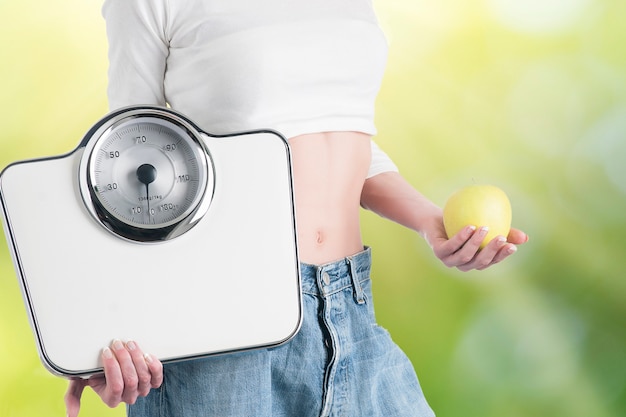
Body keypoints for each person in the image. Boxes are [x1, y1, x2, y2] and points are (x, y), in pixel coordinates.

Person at [65, 0, 529, 416]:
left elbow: (343, 134)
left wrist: (431, 222)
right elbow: (123, 167)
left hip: (348, 304)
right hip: (223, 320)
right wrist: (105, 337)